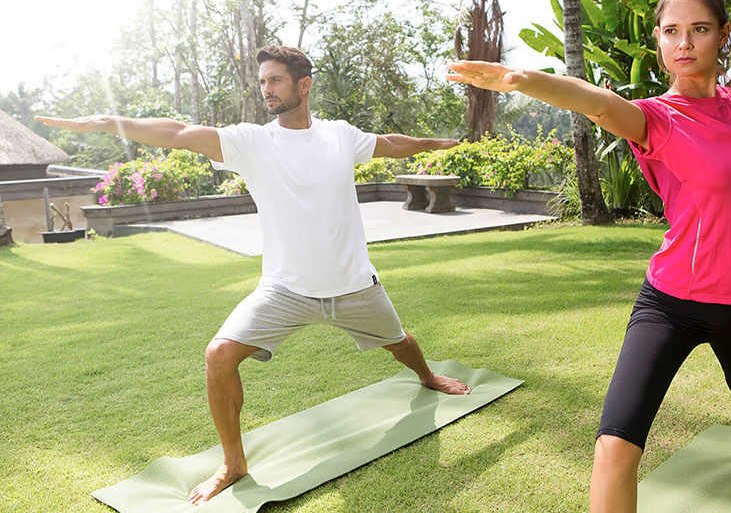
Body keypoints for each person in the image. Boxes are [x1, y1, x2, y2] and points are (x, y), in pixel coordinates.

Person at [447, 0, 731, 513]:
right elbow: (595, 101)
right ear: (659, 42)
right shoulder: (654, 119)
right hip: (671, 302)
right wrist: (525, 80)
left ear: (722, 35)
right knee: (615, 445)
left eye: (699, 30)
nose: (684, 43)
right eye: (671, 32)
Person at [37, 44, 471, 505]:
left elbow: (387, 144)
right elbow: (180, 133)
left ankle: (426, 375)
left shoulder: (340, 135)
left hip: (352, 283)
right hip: (285, 289)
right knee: (219, 355)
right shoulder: (251, 141)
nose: (265, 90)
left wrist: (431, 144)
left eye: (275, 81)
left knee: (400, 342)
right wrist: (109, 122)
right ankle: (233, 463)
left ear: (303, 85)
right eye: (261, 81)